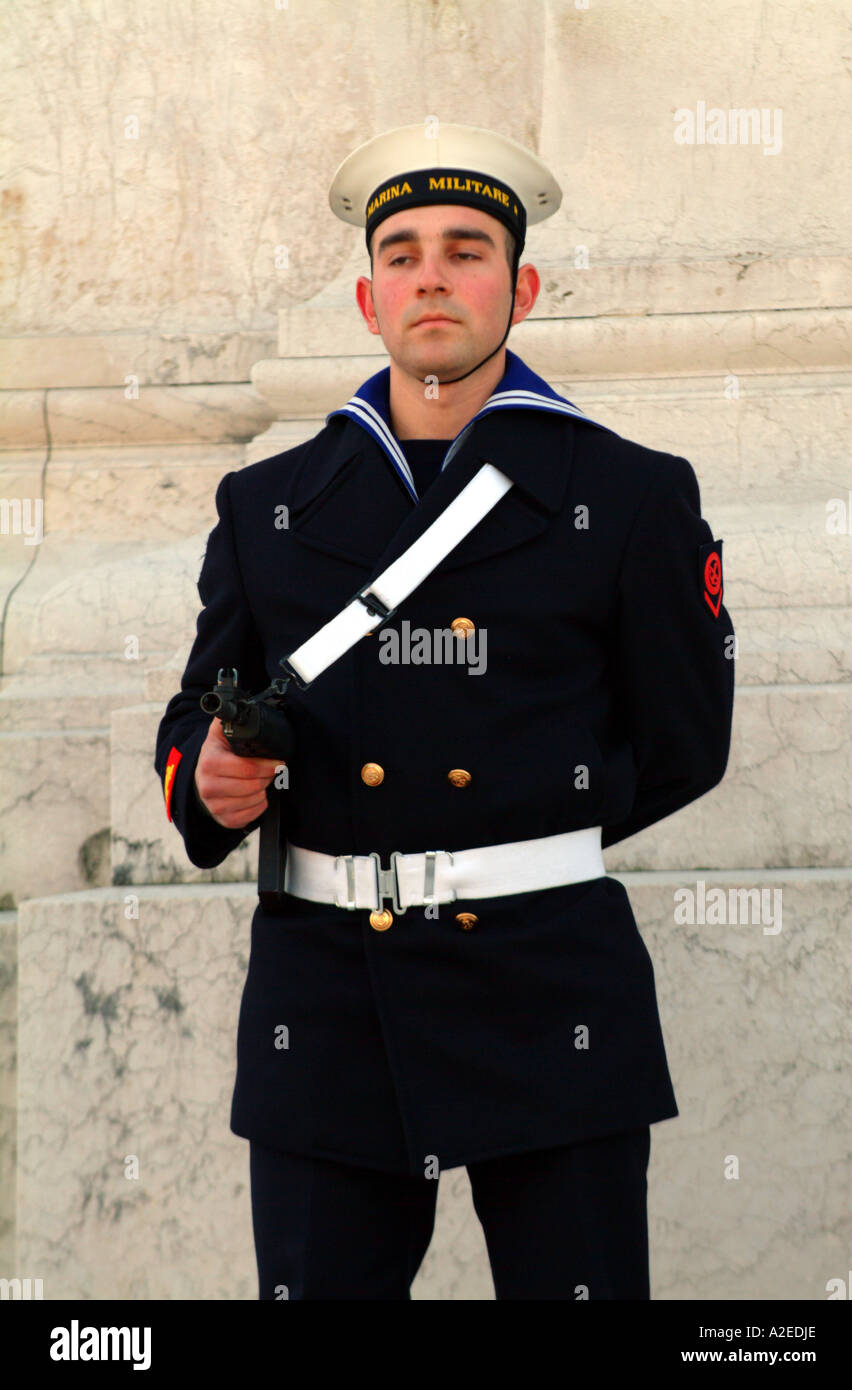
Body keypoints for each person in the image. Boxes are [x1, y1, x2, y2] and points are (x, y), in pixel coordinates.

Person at [155, 122, 735, 1300]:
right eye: (404, 252)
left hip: (546, 983)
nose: (432, 274)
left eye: (466, 250)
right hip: (325, 997)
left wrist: (514, 843)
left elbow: (682, 740)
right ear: (369, 298)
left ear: (518, 289)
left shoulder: (626, 494)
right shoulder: (269, 502)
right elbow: (196, 709)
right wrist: (208, 779)